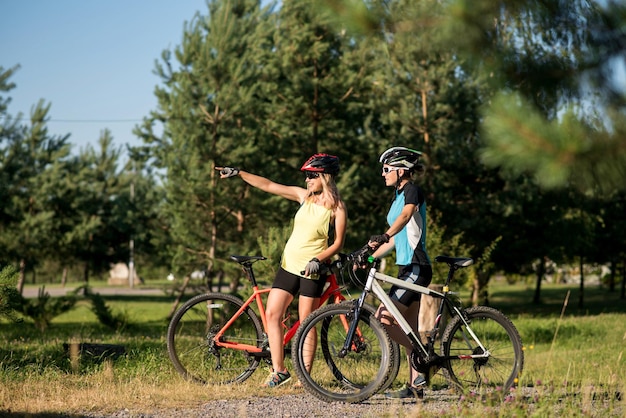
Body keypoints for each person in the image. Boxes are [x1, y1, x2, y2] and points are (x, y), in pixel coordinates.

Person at [216, 154, 347, 388]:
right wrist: (239, 173)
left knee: (307, 322)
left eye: (311, 175)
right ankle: (279, 371)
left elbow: (338, 244)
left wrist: (319, 258)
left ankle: (304, 377)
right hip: (288, 266)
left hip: (312, 270)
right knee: (273, 315)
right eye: (306, 176)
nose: (307, 180)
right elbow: (268, 185)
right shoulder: (303, 197)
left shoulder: (337, 208)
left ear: (324, 177)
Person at [367, 146, 433, 399]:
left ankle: (423, 355)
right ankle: (416, 386)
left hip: (417, 267)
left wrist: (385, 234)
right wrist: (370, 253)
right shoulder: (397, 196)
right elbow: (395, 239)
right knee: (409, 329)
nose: (382, 174)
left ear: (400, 170)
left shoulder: (412, 190)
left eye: (386, 169)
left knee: (384, 318)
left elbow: (406, 217)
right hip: (406, 267)